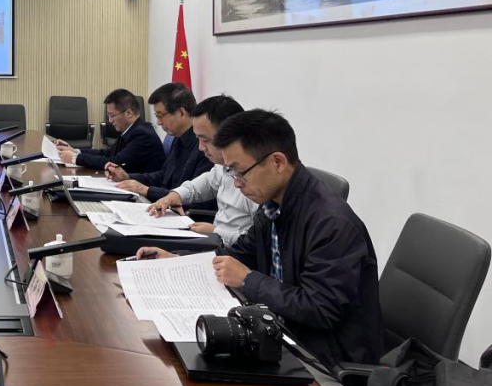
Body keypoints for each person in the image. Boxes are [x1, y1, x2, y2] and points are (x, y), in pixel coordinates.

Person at [137, 110, 385, 368]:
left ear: (277, 162)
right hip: (280, 332)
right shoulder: (273, 205)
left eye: (239, 171)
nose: (236, 184)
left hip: (324, 360)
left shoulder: (332, 223)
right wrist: (178, 261)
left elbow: (319, 310)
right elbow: (238, 255)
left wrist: (248, 279)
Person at [146, 95, 258, 245]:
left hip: (233, 250)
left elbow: (257, 243)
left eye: (205, 140)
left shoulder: (256, 179)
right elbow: (206, 183)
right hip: (216, 243)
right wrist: (175, 195)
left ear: (231, 136)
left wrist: (216, 231)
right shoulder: (221, 166)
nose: (200, 147)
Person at [106, 82, 212, 204]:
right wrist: (128, 177)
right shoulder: (178, 138)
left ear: (181, 113)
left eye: (160, 115)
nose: (158, 122)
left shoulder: (205, 147)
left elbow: (195, 199)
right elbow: (164, 176)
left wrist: (147, 190)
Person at [55, 88, 165, 174]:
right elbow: (107, 153)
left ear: (129, 113)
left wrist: (75, 158)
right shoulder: (132, 129)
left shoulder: (143, 135)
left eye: (112, 115)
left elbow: (115, 163)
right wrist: (75, 151)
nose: (110, 121)